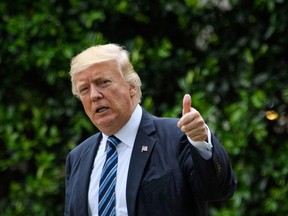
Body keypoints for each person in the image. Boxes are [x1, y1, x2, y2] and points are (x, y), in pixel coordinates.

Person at [65, 43, 237, 216]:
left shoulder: (178, 137)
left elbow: (218, 190)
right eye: (84, 89)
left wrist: (200, 141)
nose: (94, 95)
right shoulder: (78, 158)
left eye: (103, 82)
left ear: (131, 86)